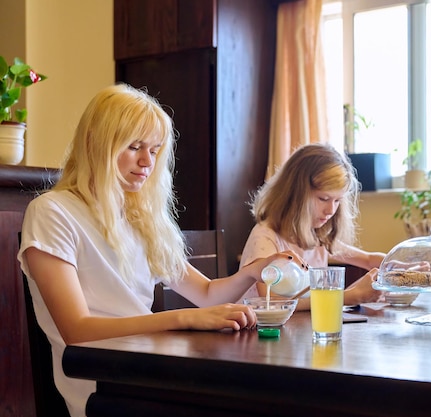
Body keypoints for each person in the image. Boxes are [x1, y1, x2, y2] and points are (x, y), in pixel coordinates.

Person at [17, 84, 303, 417]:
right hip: (102, 382)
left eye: (154, 150)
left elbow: (208, 293)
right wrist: (185, 319)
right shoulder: (52, 212)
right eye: (134, 146)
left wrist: (252, 271)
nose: (146, 162)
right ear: (95, 143)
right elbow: (77, 330)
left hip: (149, 367)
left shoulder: (140, 218)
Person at [238, 143, 386, 310]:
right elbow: (272, 302)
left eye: (337, 201)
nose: (330, 210)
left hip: (302, 332)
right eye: (323, 198)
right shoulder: (265, 236)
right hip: (257, 333)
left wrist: (399, 265)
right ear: (295, 194)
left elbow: (367, 260)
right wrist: (343, 298)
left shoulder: (316, 237)